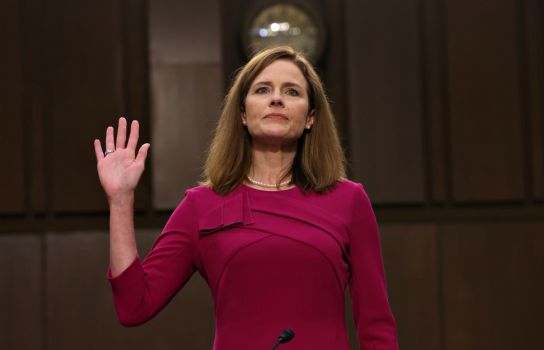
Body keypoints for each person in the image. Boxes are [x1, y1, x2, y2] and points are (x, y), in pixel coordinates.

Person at [94, 46, 399, 350]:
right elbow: (134, 306)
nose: (276, 98)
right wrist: (120, 201)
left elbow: (377, 326)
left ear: (310, 117)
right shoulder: (201, 205)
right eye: (263, 89)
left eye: (292, 92)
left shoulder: (349, 200)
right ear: (242, 113)